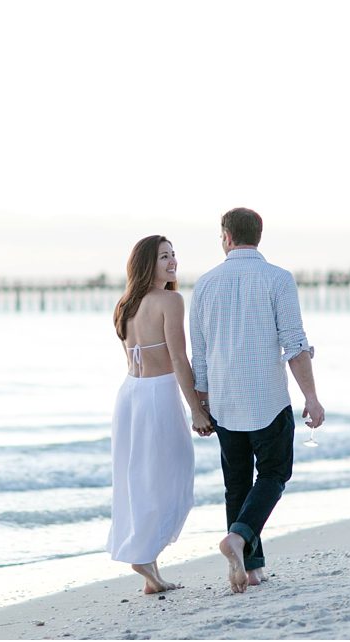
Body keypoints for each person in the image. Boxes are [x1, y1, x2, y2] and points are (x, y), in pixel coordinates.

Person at [189, 207, 325, 593]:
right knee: (274, 474)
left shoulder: (205, 284)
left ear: (227, 237)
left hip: (225, 402)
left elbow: (199, 356)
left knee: (237, 484)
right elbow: (295, 345)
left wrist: (201, 406)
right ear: (257, 236)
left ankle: (250, 569)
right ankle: (240, 538)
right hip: (267, 398)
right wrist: (312, 397)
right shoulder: (278, 279)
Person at [106, 234, 213, 593]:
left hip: (129, 396)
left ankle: (148, 562)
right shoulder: (170, 300)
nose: (172, 262)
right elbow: (179, 359)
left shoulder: (125, 304)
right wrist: (196, 409)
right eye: (163, 256)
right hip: (157, 394)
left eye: (173, 255)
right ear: (146, 264)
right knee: (174, 475)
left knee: (138, 477)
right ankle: (145, 553)